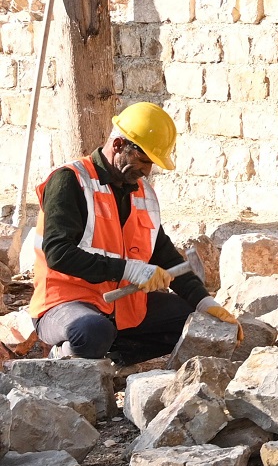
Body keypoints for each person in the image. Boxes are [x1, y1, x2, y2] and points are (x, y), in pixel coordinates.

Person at [28, 102, 237, 362]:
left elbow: (166, 257)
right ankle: (65, 352)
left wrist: (206, 304)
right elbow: (58, 254)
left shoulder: (142, 193)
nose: (147, 171)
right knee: (92, 332)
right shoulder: (70, 181)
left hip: (123, 309)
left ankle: (111, 355)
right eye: (143, 160)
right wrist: (130, 270)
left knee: (192, 322)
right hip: (65, 303)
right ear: (118, 146)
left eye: (152, 164)